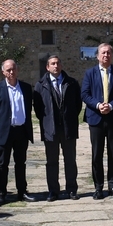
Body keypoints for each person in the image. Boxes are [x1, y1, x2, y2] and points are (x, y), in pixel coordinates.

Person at [81, 43, 113, 200]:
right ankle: (98, 187)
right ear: (97, 56)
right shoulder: (90, 74)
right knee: (97, 155)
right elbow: (85, 94)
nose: (106, 55)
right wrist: (98, 105)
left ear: (112, 56)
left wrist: (111, 105)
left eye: (108, 53)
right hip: (96, 118)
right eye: (103, 53)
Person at [0, 59, 35, 206]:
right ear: (3, 72)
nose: (11, 72)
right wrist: (1, 124)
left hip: (21, 131)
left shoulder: (26, 88)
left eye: (13, 69)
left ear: (17, 70)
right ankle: (1, 193)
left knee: (21, 163)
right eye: (8, 70)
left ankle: (22, 191)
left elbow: (28, 108)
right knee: (3, 164)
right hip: (5, 131)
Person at [33, 55, 82, 201]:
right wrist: (47, 121)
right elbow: (38, 108)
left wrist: (69, 118)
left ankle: (72, 189)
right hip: (50, 129)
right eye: (53, 64)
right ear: (47, 67)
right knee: (52, 161)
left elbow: (77, 105)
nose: (56, 66)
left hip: (68, 128)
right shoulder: (40, 85)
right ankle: (53, 191)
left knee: (70, 160)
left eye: (58, 63)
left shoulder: (71, 83)